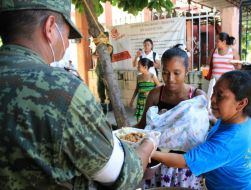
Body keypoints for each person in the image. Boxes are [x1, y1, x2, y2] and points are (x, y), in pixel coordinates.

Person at [0, 1, 156, 189]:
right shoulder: (61, 88)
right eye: (67, 35)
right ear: (50, 27)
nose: (66, 44)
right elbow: (121, 173)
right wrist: (149, 144)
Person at [152, 70, 251, 189]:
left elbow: (185, 162)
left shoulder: (229, 141)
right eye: (214, 92)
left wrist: (149, 151)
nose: (213, 99)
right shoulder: (238, 119)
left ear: (241, 103)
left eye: (220, 95)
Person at [136, 45, 207, 189]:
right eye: (166, 73)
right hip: (156, 165)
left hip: (185, 168)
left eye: (176, 73)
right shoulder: (156, 94)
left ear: (186, 72)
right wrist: (121, 134)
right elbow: (143, 125)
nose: (170, 79)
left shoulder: (197, 97)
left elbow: (203, 134)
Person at [94, 32, 113, 112]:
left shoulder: (109, 47)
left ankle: (111, 105)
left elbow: (104, 54)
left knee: (109, 89)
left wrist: (99, 54)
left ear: (107, 38)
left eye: (104, 37)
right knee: (100, 88)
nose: (102, 39)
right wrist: (97, 54)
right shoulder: (99, 46)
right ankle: (102, 103)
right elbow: (94, 55)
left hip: (106, 72)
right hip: (99, 71)